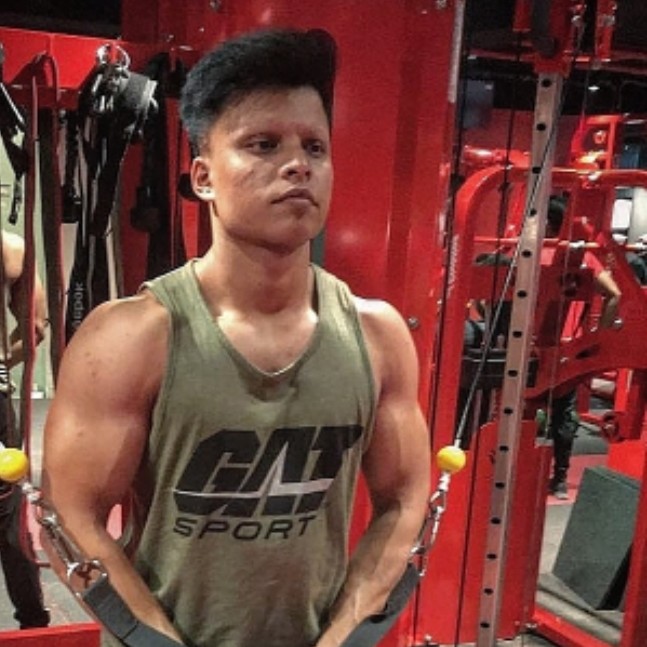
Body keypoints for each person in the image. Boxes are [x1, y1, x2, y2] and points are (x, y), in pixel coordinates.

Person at [41, 28, 431, 647]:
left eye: (315, 147)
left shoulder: (378, 335)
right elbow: (71, 517)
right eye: (262, 144)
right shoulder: (131, 337)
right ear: (203, 177)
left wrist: (345, 636)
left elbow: (406, 500)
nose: (298, 164)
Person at [544, 196, 621, 499]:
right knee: (563, 416)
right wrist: (595, 341)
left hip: (530, 348)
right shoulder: (583, 257)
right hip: (568, 350)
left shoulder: (532, 252)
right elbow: (614, 294)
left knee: (519, 414)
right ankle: (560, 479)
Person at [0, 229, 49, 628]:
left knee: (7, 511)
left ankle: (33, 622)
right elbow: (35, 330)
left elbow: (35, 329)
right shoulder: (9, 248)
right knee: (7, 515)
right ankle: (33, 622)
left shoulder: (10, 249)